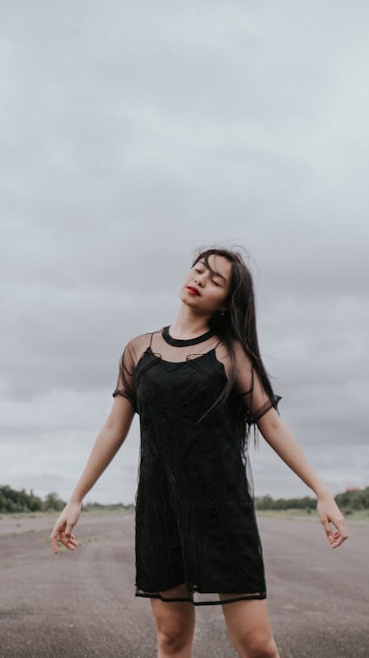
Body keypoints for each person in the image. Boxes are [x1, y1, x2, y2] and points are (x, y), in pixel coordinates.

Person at [50, 247, 348, 658]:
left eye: (216, 280)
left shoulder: (231, 354)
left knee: (257, 645)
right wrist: (76, 497)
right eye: (199, 269)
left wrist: (322, 491)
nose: (201, 278)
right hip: (161, 511)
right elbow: (114, 428)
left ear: (226, 302)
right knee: (171, 639)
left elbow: (271, 423)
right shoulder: (139, 351)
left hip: (222, 513)